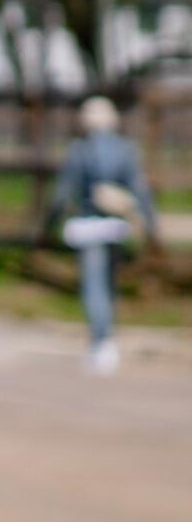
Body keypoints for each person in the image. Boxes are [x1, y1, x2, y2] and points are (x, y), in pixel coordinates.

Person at [52, 95, 161, 375]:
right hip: (116, 226)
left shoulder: (80, 150)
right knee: (109, 283)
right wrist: (151, 225)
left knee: (94, 285)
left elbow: (63, 193)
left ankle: (100, 341)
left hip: (89, 225)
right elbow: (140, 189)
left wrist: (49, 223)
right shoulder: (126, 149)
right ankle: (107, 338)